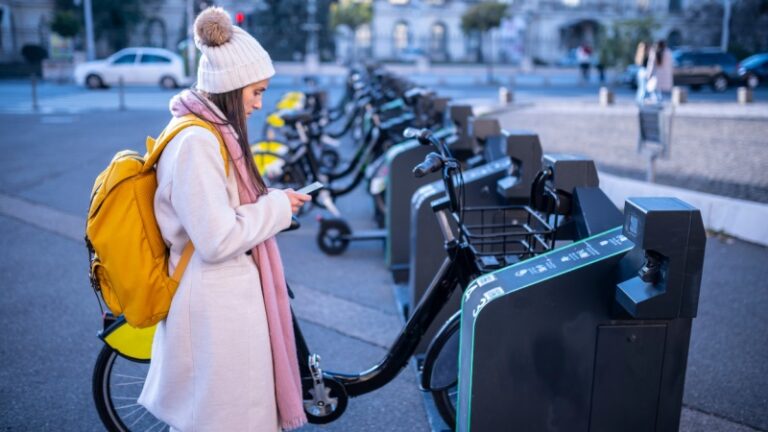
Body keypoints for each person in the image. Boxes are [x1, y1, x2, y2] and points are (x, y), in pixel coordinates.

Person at [138, 6, 311, 431]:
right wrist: (275, 209)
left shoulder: (209, 133)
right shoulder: (198, 141)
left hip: (221, 301)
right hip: (214, 305)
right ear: (232, 88)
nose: (258, 104)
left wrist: (272, 200)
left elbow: (222, 207)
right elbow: (216, 238)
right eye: (256, 92)